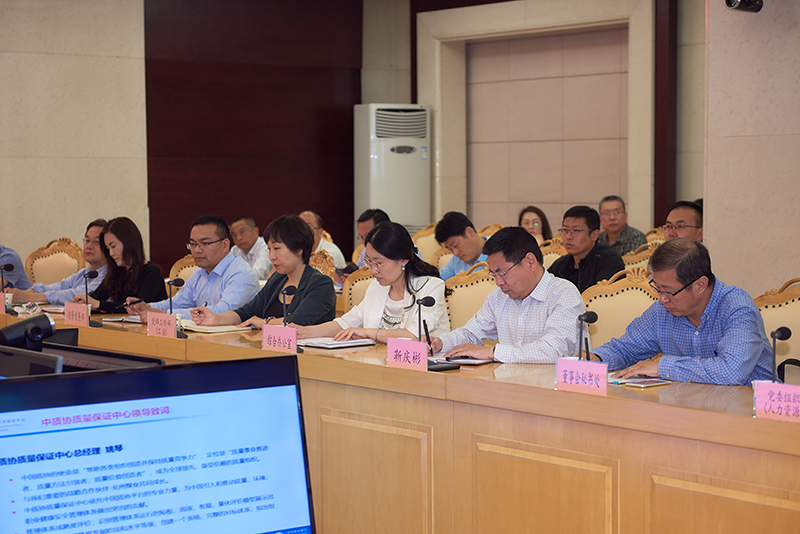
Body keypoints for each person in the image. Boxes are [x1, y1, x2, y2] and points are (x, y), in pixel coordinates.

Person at [591, 239, 772, 385]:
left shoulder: (737, 308)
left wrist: (662, 367)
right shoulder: (663, 309)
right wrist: (597, 358)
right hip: (688, 405)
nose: (662, 299)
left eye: (669, 291)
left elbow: (732, 371)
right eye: (658, 289)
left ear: (700, 285)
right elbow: (626, 349)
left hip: (749, 409)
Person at [429, 227, 586, 363]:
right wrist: (440, 343)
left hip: (554, 385)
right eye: (493, 275)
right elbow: (471, 333)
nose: (498, 282)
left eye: (502, 273)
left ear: (530, 262)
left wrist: (492, 352)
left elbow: (554, 351)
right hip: (509, 382)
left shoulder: (564, 294)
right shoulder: (499, 296)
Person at [295, 222, 450, 342]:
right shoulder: (377, 286)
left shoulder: (431, 286)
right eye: (369, 261)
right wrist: (305, 332)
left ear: (403, 259)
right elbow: (345, 323)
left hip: (423, 367)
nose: (373, 270)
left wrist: (368, 333)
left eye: (379, 263)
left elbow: (415, 335)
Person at [192, 215, 336, 328]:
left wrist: (265, 322)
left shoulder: (321, 284)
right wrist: (216, 318)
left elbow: (297, 321)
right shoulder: (277, 279)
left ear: (299, 249)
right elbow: (247, 312)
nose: (271, 256)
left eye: (277, 248)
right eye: (269, 249)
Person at [126, 215, 259, 320]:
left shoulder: (241, 273)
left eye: (205, 243)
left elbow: (221, 312)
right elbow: (177, 303)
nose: (197, 250)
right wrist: (146, 307)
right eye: (193, 244)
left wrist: (167, 315)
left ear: (225, 245)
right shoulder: (199, 273)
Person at [74, 217, 167, 312]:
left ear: (129, 242)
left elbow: (137, 308)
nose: (111, 253)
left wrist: (98, 304)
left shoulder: (152, 272)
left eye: (113, 246)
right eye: (108, 248)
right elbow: (96, 297)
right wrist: (83, 301)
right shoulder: (118, 271)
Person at [7, 219, 107, 304]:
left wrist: (27, 297)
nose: (89, 246)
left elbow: (75, 295)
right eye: (87, 240)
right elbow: (59, 287)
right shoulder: (82, 274)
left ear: (107, 246)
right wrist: (20, 294)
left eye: (96, 242)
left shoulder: (108, 278)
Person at [548, 206, 625, 293]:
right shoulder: (560, 264)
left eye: (576, 230)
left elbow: (603, 298)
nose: (568, 236)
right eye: (565, 230)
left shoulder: (610, 261)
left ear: (594, 235)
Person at [434, 211, 487, 280]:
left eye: (455, 245)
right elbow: (438, 280)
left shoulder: (497, 254)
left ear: (470, 232)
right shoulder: (456, 260)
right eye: (450, 249)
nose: (455, 253)